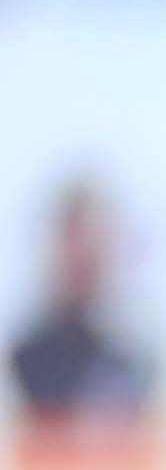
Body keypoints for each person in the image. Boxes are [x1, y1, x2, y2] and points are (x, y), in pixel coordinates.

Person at [11, 178, 154, 425]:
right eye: (75, 243)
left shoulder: (133, 358)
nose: (84, 257)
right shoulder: (26, 355)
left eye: (96, 244)